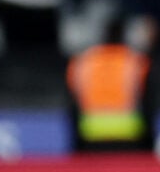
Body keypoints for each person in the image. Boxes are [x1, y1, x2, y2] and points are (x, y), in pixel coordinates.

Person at [66, 17, 154, 153]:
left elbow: (72, 104)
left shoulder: (82, 63)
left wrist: (75, 146)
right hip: (129, 136)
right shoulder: (137, 62)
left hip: (90, 135)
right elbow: (148, 103)